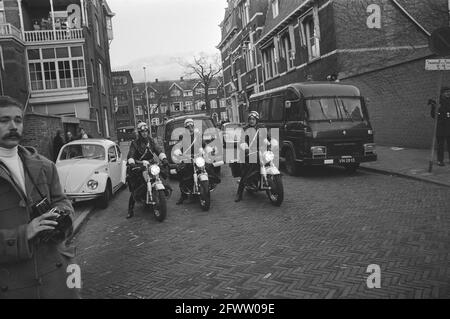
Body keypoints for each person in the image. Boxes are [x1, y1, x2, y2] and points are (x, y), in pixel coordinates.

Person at [0, 96, 78, 299]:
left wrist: (61, 214)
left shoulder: (44, 165)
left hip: (58, 280)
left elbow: (62, 201)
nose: (13, 126)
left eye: (18, 120)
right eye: (4, 120)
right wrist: (25, 233)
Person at [126, 122, 170, 219]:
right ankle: (130, 210)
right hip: (140, 165)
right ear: (139, 132)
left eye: (146, 131)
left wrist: (164, 158)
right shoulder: (135, 143)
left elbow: (158, 150)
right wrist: (132, 163)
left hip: (151, 164)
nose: (145, 133)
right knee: (135, 187)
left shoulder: (151, 141)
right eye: (142, 131)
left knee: (161, 176)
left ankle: (161, 195)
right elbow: (131, 155)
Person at [175, 118, 221, 205]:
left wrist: (210, 150)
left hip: (199, 157)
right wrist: (179, 155)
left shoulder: (198, 136)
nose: (190, 128)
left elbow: (204, 145)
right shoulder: (183, 137)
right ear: (185, 128)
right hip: (188, 158)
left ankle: (210, 183)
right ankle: (183, 195)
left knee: (209, 166)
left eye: (191, 126)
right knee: (181, 172)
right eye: (188, 126)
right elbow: (178, 147)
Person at [234, 111, 270, 202]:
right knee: (246, 172)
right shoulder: (245, 129)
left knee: (269, 161)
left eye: (253, 119)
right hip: (249, 152)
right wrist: (245, 148)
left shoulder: (261, 128)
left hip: (261, 150)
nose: (251, 121)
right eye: (250, 119)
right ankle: (239, 193)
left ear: (257, 120)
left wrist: (269, 143)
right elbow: (242, 141)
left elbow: (266, 138)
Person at [430, 87, 450, 166]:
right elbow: (433, 115)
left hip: (449, 126)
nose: (448, 93)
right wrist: (434, 107)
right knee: (441, 145)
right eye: (446, 92)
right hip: (441, 127)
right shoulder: (438, 102)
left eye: (449, 91)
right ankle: (440, 160)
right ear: (442, 93)